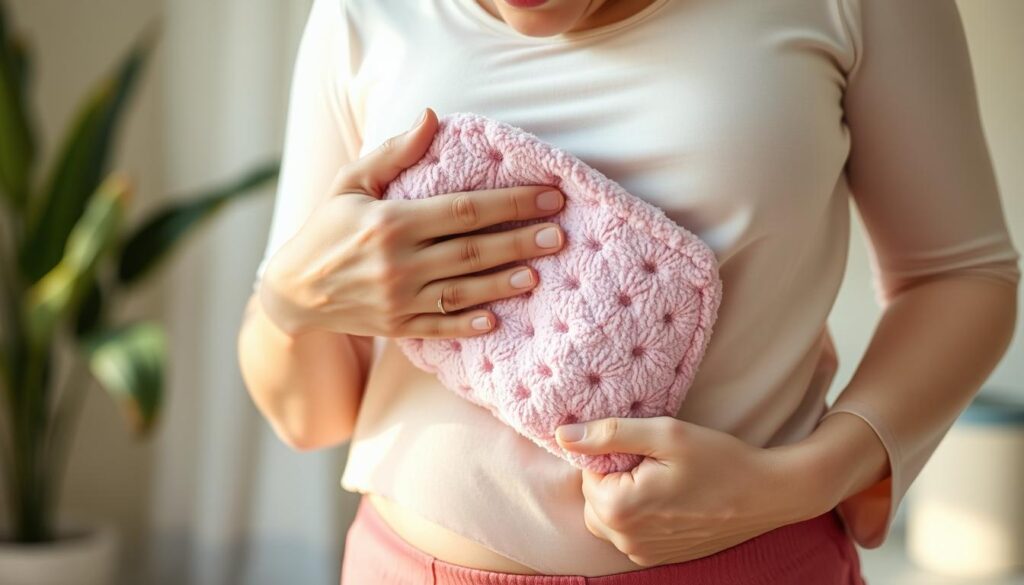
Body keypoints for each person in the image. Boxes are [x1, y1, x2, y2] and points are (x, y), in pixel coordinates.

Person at [236, 0, 1021, 582]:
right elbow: (311, 416)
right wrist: (290, 301)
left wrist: (798, 482)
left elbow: (959, 276)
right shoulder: (360, 14)